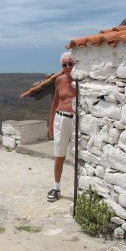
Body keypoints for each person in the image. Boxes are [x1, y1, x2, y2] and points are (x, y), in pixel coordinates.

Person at [47, 52, 76, 202]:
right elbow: (54, 103)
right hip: (61, 119)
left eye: (70, 63)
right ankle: (56, 187)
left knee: (77, 156)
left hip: (77, 121)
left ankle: (79, 187)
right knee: (59, 155)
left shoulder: (80, 80)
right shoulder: (59, 80)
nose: (67, 67)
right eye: (64, 64)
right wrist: (50, 124)